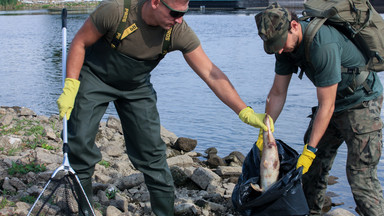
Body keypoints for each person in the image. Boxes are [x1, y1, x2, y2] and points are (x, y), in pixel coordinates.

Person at [56, 0, 272, 215]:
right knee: (79, 143)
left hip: (136, 88)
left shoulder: (178, 31)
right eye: (174, 13)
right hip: (95, 78)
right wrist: (71, 86)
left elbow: (211, 74)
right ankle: (84, 210)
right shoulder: (115, 11)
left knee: (153, 156)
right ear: (155, 2)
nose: (179, 20)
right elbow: (79, 43)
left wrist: (244, 111)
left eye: (183, 14)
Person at [255, 2, 384, 216]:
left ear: (294, 26)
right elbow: (278, 92)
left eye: (279, 43)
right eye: (272, 46)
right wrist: (265, 129)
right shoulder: (283, 47)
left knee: (361, 178)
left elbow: (327, 105)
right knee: (310, 172)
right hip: (332, 103)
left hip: (361, 104)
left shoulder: (322, 44)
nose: (278, 49)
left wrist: (310, 150)